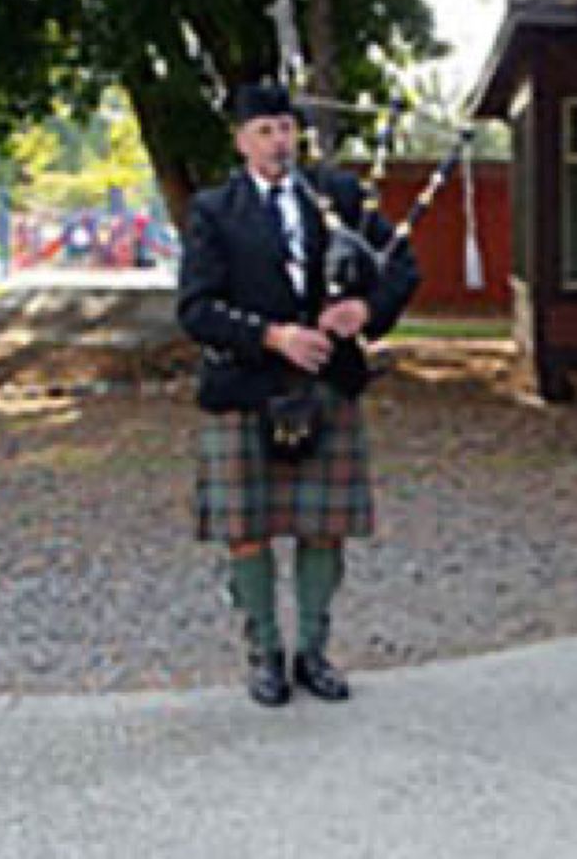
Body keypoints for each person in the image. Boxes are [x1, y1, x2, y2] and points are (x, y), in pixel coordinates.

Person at [177, 82, 420, 707]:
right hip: (246, 388)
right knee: (246, 528)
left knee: (323, 526)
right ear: (241, 141)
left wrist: (365, 308)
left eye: (286, 128)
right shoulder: (214, 210)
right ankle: (264, 654)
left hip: (327, 385)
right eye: (265, 131)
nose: (279, 141)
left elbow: (401, 265)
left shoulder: (336, 197)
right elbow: (196, 309)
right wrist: (273, 337)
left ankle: (313, 652)